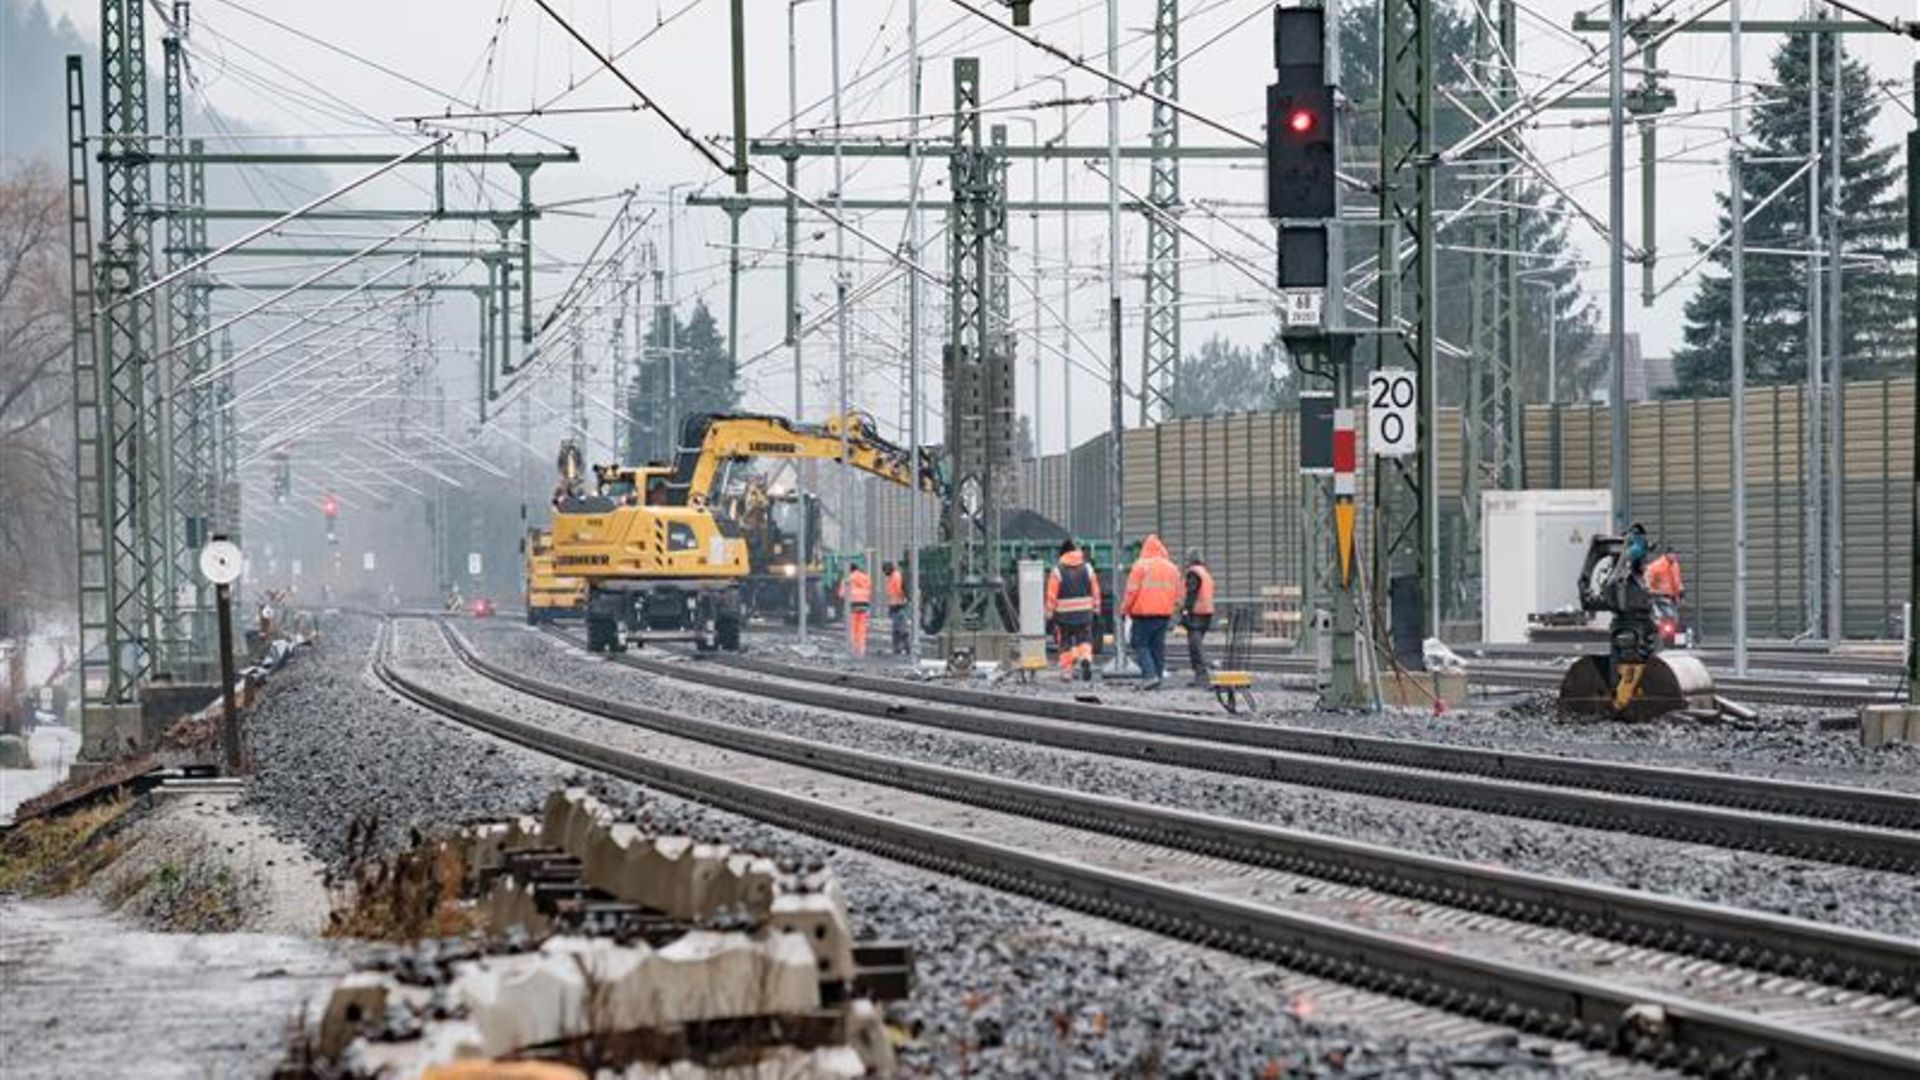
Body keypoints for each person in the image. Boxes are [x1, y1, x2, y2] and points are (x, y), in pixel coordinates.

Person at [1122, 534, 1181, 690]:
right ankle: (1158, 677)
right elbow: (1178, 593)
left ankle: (1149, 676)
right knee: (1157, 646)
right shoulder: (1172, 568)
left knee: (1140, 644)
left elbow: (1131, 591)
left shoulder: (1140, 566)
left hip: (1143, 613)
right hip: (1164, 614)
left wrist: (1125, 609)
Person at [1045, 539, 1101, 681]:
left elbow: (1052, 594)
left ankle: (1067, 671)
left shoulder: (1057, 571)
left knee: (1065, 641)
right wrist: (1097, 608)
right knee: (1085, 638)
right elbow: (1095, 590)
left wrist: (1049, 612)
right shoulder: (1088, 568)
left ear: (1062, 554)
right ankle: (1086, 659)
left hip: (1064, 616)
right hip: (1084, 613)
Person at [1180, 548, 1215, 686]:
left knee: (1195, 645)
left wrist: (1185, 612)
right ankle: (1201, 675)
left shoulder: (1193, 573)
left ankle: (1202, 675)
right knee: (1197, 644)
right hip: (1207, 612)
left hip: (1196, 613)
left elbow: (1191, 593)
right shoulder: (1205, 572)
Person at [840, 560, 872, 657]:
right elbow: (869, 589)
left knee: (852, 627)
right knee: (862, 628)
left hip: (853, 604)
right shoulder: (866, 577)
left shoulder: (847, 579)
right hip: (864, 604)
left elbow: (841, 594)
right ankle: (861, 649)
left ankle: (853, 649)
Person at [883, 560, 909, 654]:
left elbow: (898, 590)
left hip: (898, 605)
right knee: (897, 628)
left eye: (885, 570)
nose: (885, 573)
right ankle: (898, 647)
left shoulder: (895, 576)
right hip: (895, 605)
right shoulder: (892, 576)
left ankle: (905, 647)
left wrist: (901, 600)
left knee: (900, 628)